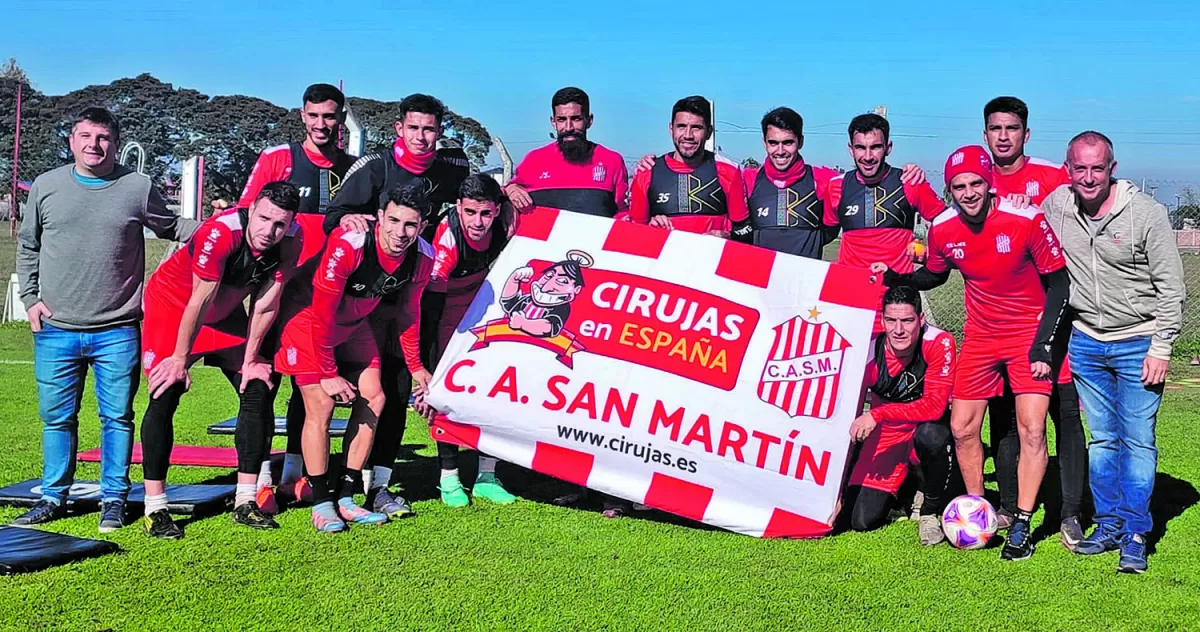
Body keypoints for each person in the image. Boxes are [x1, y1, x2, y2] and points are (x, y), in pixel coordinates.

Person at [874, 145, 1071, 561]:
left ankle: (1020, 522)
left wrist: (1043, 342)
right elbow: (935, 272)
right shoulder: (943, 228)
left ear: (989, 183)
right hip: (980, 337)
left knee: (1032, 429)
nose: (968, 192)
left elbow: (1059, 284)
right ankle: (977, 509)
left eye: (976, 183)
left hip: (1027, 336)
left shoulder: (1026, 218)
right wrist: (893, 276)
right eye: (958, 186)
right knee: (963, 428)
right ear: (949, 191)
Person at [13, 107, 199, 532]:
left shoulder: (137, 187)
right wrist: (30, 299)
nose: (94, 145)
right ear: (72, 140)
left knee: (116, 418)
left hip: (117, 330)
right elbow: (28, 248)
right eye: (85, 136)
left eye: (103, 138)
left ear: (115, 143)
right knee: (57, 418)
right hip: (56, 328)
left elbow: (172, 227)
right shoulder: (46, 186)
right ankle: (53, 497)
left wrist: (235, 224)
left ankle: (114, 498)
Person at [316, 94, 468, 518]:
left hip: (410, 295)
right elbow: (335, 215)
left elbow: (475, 201)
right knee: (317, 394)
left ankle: (377, 485)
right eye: (414, 128)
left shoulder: (452, 168)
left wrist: (508, 192)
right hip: (358, 301)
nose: (421, 137)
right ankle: (307, 478)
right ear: (399, 127)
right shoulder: (375, 167)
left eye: (430, 129)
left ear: (440, 132)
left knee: (396, 391)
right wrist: (347, 220)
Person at [1041, 132, 1184, 574]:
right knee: (1101, 440)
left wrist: (1161, 347)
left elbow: (1172, 289)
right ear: (1068, 170)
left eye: (1097, 168)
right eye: (1079, 168)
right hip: (1086, 341)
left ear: (1112, 168)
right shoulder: (1057, 207)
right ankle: (1107, 524)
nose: (1088, 177)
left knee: (1137, 439)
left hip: (1139, 341)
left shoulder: (1146, 214)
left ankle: (1136, 532)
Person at [137, 182, 302, 538]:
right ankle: (155, 508)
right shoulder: (221, 232)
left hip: (224, 313)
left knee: (258, 387)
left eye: (280, 224)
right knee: (166, 390)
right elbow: (199, 299)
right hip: (176, 307)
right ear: (251, 208)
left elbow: (266, 302)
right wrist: (179, 359)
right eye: (264, 219)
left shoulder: (291, 240)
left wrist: (253, 357)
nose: (269, 231)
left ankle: (246, 500)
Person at [223, 83, 358, 514]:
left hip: (320, 299)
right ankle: (259, 480)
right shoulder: (278, 158)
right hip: (272, 288)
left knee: (310, 386)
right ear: (302, 115)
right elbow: (247, 219)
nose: (322, 124)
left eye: (330, 116)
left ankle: (293, 474)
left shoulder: (355, 168)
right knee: (260, 382)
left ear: (341, 119)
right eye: (314, 116)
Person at [275, 183, 434, 533]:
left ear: (422, 226)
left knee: (375, 397)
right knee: (321, 403)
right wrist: (328, 372)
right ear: (379, 217)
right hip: (308, 318)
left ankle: (346, 497)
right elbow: (321, 313)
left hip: (353, 321)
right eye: (392, 221)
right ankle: (321, 502)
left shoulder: (423, 256)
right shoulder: (350, 245)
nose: (400, 232)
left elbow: (409, 313)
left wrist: (416, 365)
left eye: (410, 224)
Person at [982, 96, 1088, 547]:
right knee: (1005, 416)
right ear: (985, 133)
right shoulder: (977, 179)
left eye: (1012, 128)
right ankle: (1008, 506)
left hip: (1053, 315)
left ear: (1026, 133)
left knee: (1064, 413)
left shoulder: (1050, 177)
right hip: (1001, 322)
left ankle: (1070, 512)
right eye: (995, 128)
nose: (1003, 136)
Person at [415, 175, 516, 507]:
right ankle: (449, 477)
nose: (477, 222)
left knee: (494, 394)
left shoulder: (506, 222)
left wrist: (515, 190)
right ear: (458, 207)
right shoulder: (448, 241)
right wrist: (429, 368)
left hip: (486, 315)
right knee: (447, 397)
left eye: (485, 214)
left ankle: (487, 475)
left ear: (497, 210)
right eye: (470, 212)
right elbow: (429, 311)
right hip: (445, 317)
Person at [845, 286, 959, 546]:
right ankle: (905, 490)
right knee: (860, 521)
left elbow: (934, 407)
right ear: (883, 319)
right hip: (887, 436)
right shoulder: (868, 346)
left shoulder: (939, 342)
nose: (898, 330)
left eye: (907, 321)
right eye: (891, 320)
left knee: (932, 435)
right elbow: (846, 411)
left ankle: (929, 509)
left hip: (922, 428)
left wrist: (878, 414)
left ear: (921, 319)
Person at [824, 114, 946, 276]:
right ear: (850, 149)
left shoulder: (910, 181)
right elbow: (824, 233)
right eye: (860, 147)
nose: (868, 157)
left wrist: (929, 251)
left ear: (888, 148)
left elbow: (948, 224)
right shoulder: (836, 186)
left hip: (897, 293)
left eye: (875, 147)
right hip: (850, 291)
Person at [627, 96, 751, 239]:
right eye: (681, 126)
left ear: (709, 132)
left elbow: (746, 230)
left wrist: (728, 236)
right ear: (671, 129)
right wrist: (650, 228)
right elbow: (634, 235)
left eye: (696, 128)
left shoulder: (729, 171)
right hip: (666, 261)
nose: (688, 135)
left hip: (713, 260)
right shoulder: (647, 172)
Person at [505, 87, 629, 218]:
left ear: (589, 120)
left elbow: (623, 213)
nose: (568, 127)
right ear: (553, 122)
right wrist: (510, 190)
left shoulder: (612, 161)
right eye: (561, 119)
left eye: (576, 119)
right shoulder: (534, 160)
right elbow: (505, 195)